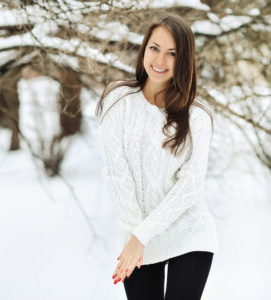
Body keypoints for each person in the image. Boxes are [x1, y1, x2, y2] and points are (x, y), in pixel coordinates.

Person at [95, 13, 218, 300]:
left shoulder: (197, 116)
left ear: (185, 59)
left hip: (188, 233)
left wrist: (142, 235)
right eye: (154, 48)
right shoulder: (118, 100)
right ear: (143, 49)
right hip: (134, 231)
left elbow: (190, 186)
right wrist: (135, 236)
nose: (160, 61)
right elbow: (116, 173)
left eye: (172, 54)